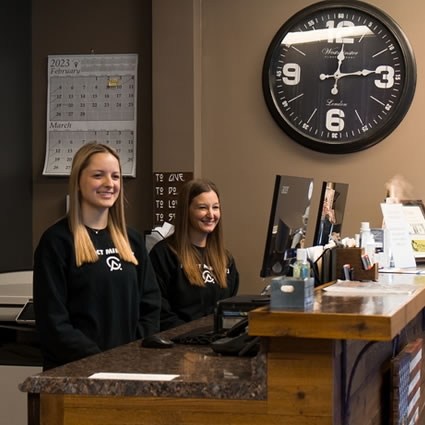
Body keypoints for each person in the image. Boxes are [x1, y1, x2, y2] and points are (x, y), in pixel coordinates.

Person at [33, 143, 161, 370]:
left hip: (127, 369)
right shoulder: (56, 242)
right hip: (75, 373)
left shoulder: (132, 241)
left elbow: (150, 306)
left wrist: (131, 354)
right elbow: (54, 323)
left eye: (115, 176)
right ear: (78, 181)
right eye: (98, 175)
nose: (109, 184)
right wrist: (101, 362)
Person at [149, 178, 239, 331]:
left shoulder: (225, 259)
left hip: (217, 343)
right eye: (203, 207)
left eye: (215, 207)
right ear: (186, 210)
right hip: (179, 343)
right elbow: (160, 313)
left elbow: (230, 309)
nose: (211, 214)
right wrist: (192, 336)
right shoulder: (164, 254)